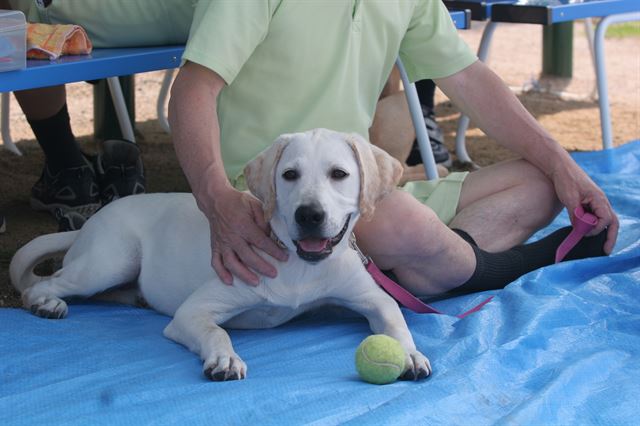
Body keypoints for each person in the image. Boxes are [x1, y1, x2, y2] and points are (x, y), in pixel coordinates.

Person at [167, 1, 618, 298]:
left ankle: (429, 262)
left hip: (355, 194)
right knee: (398, 221)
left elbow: (468, 79)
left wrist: (564, 167)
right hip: (273, 203)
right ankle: (484, 268)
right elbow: (192, 89)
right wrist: (217, 201)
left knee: (540, 181)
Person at [3, 0, 193, 226]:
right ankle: (82, 174)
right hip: (202, 16)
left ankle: (68, 169)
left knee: (15, 23)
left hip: (103, 17)